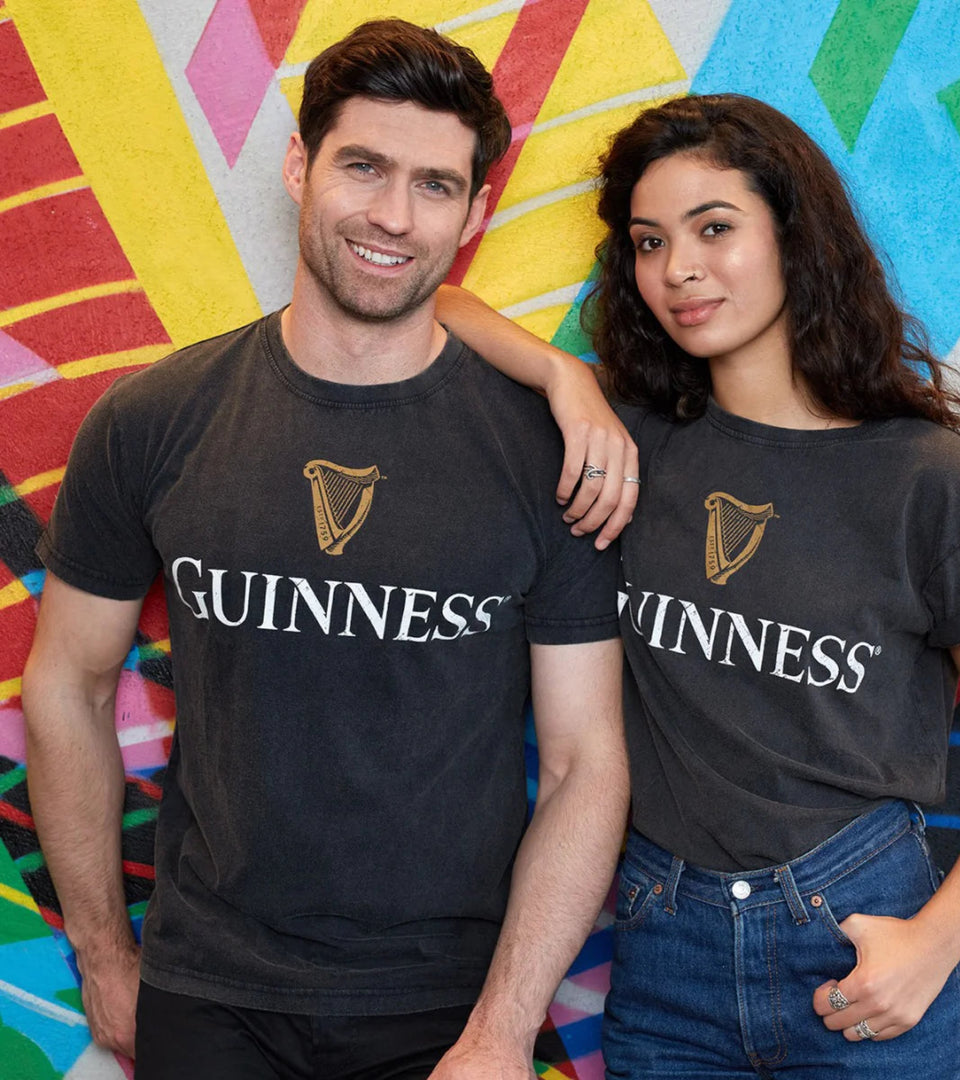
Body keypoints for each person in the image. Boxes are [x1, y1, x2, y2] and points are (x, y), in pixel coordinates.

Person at [21, 19, 630, 1080]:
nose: (394, 215)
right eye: (363, 167)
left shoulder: (550, 455)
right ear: (300, 165)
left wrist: (500, 1029)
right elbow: (67, 683)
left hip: (447, 1009)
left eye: (435, 186)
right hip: (207, 993)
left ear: (475, 211)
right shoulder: (153, 420)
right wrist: (104, 953)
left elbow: (586, 762)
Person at [435, 94, 960, 1077]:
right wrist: (567, 380)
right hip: (665, 952)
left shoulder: (920, 477)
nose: (677, 269)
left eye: (714, 228)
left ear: (793, 235)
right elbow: (439, 303)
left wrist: (937, 943)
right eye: (649, 242)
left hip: (860, 944)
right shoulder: (632, 444)